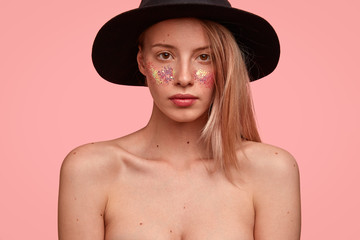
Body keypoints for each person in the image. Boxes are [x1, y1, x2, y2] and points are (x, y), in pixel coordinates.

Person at [58, 0, 301, 239]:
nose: (183, 77)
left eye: (204, 57)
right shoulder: (89, 171)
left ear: (226, 64)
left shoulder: (271, 171)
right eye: (165, 55)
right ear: (142, 61)